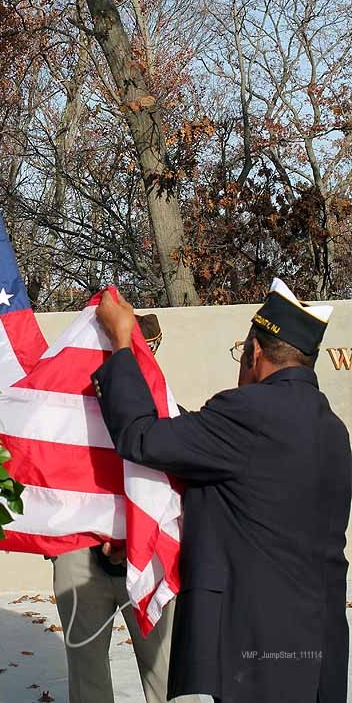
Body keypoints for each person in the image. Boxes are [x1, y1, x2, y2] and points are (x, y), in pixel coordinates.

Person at [92, 278, 351, 703]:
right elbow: (239, 484)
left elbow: (141, 438)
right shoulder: (332, 429)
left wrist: (122, 343)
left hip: (258, 646)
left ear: (254, 353)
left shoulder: (248, 413)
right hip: (319, 645)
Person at [53, 314, 201, 703]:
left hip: (148, 558)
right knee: (88, 684)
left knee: (168, 678)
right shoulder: (66, 417)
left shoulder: (172, 414)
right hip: (82, 557)